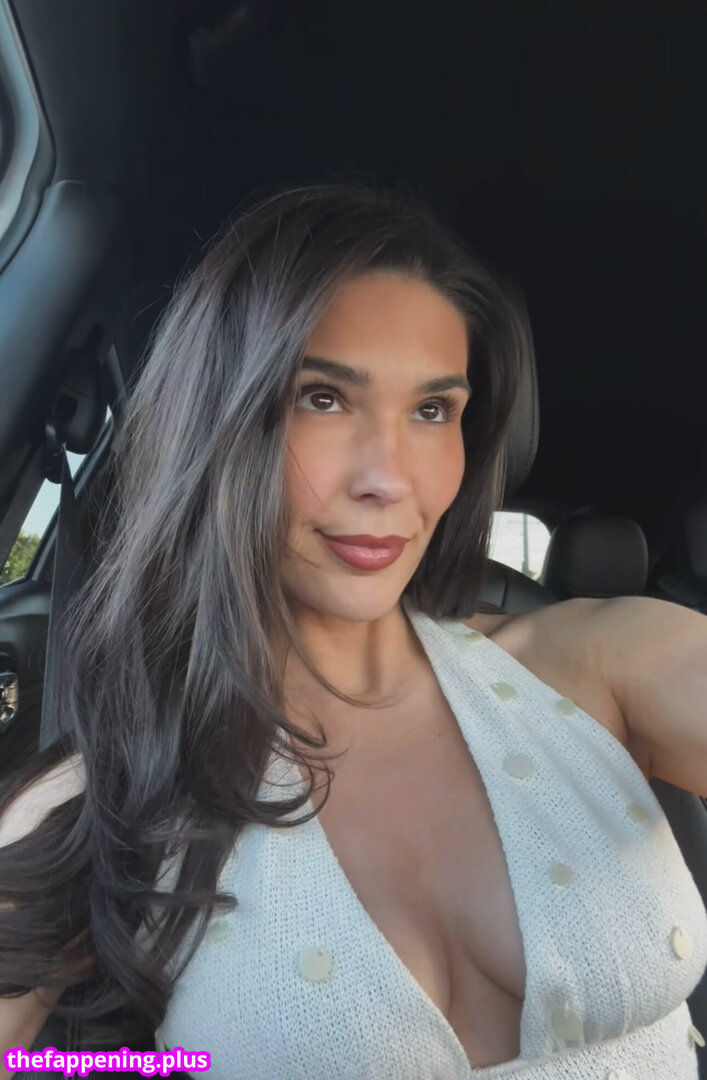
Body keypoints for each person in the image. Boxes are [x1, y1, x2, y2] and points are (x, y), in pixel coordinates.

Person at [0, 180, 705, 1080]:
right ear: (217, 420)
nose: (389, 479)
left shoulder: (597, 665)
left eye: (432, 410)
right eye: (322, 398)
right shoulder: (107, 795)